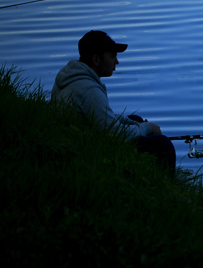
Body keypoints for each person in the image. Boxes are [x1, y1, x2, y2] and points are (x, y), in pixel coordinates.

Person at [51, 30, 176, 176]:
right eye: (112, 56)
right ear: (97, 59)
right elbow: (114, 133)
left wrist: (134, 124)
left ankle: (141, 172)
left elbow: (101, 116)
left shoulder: (71, 75)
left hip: (78, 135)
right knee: (162, 144)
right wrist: (147, 127)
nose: (117, 62)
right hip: (83, 148)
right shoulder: (89, 89)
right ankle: (166, 187)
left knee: (135, 120)